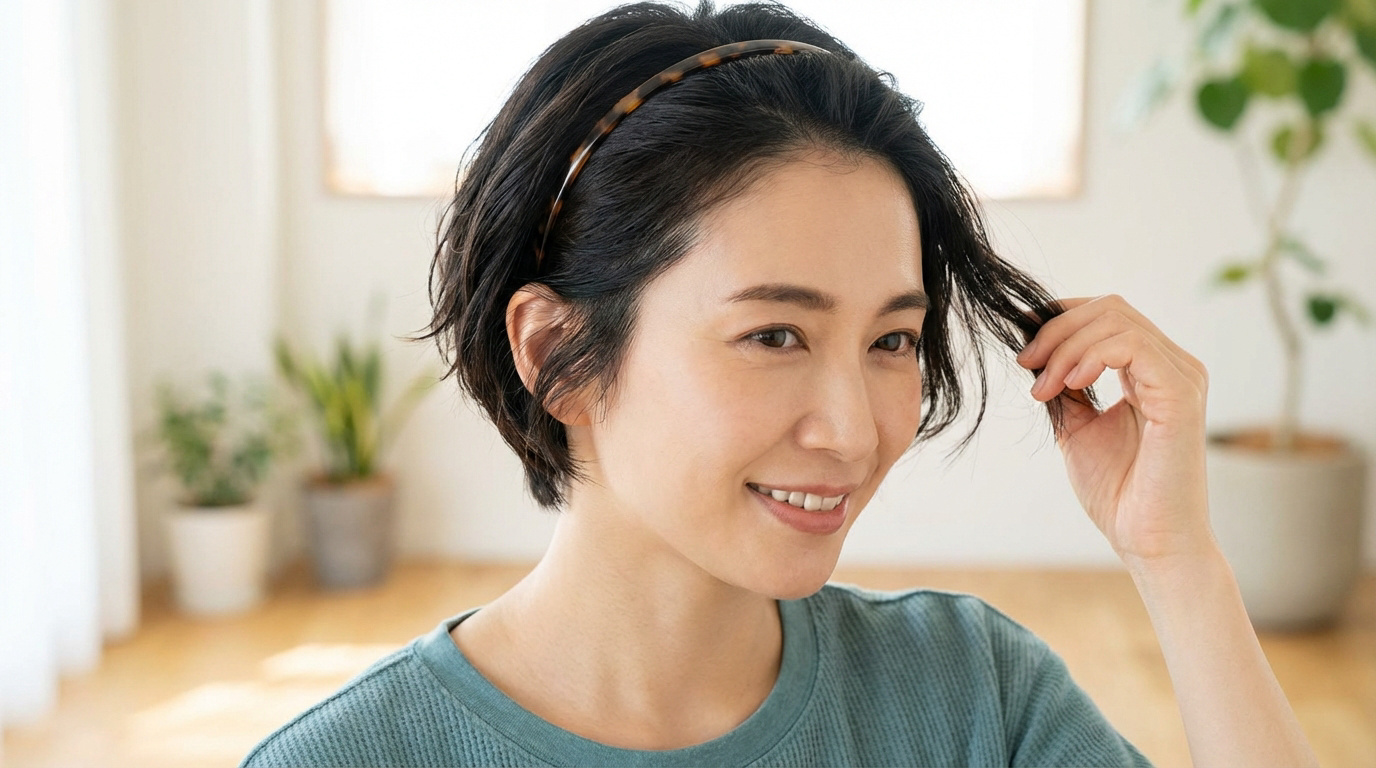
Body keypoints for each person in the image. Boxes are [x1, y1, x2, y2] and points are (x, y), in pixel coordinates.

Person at [242, 2, 1318, 766]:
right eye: (772, 335)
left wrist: (1177, 563)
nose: (852, 431)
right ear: (556, 355)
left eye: (891, 342)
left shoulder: (968, 699)